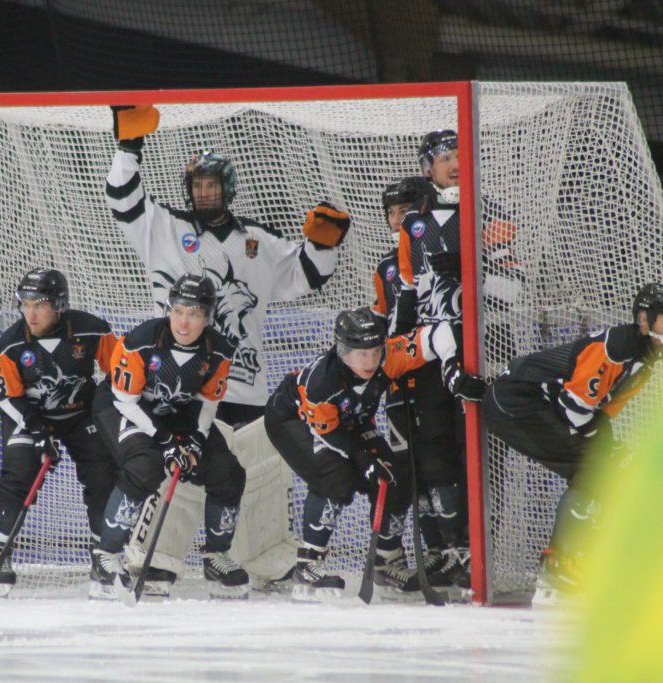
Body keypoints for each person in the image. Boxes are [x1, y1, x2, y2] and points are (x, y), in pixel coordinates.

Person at [105, 105, 351, 593]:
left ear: (228, 188)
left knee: (260, 476)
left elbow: (307, 274)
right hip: (180, 387)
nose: (204, 193)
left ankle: (265, 554)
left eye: (212, 185)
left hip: (246, 382)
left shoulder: (255, 241)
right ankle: (158, 558)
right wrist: (129, 148)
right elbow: (121, 196)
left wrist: (325, 244)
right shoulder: (164, 230)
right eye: (196, 185)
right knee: (177, 476)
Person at [264, 307, 485, 601]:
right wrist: (363, 458)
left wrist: (451, 368)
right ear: (343, 352)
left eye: (374, 352)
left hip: (349, 423)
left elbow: (438, 334)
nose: (369, 361)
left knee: (396, 478)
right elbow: (328, 432)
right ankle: (308, 565)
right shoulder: (322, 383)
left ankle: (385, 562)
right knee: (335, 477)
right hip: (293, 420)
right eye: (360, 354)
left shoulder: (388, 356)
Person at [484, 283, 663, 602]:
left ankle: (579, 561)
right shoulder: (617, 347)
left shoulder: (644, 362)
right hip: (514, 401)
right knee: (595, 472)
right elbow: (576, 412)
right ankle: (559, 568)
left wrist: (615, 451)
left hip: (535, 404)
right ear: (644, 319)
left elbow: (600, 416)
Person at [89, 274, 248, 599]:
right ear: (169, 309)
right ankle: (105, 557)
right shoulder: (141, 340)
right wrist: (166, 442)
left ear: (207, 316)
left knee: (226, 471)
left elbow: (208, 402)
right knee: (145, 466)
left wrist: (196, 441)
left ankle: (216, 555)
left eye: (194, 313)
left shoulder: (219, 350)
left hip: (177, 409)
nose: (184, 322)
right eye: (178, 311)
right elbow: (124, 399)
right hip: (123, 406)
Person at [0, 267, 118, 595]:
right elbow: (9, 399)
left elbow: (121, 372)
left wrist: (109, 409)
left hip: (79, 415)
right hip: (29, 416)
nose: (30, 313)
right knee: (18, 475)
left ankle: (103, 557)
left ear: (59, 304)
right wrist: (38, 431)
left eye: (39, 304)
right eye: (25, 303)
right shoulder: (9, 345)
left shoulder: (91, 331)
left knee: (103, 475)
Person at [370, 176, 450, 594]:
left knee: (438, 466)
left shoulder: (441, 250)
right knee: (405, 467)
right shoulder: (386, 267)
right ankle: (390, 554)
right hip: (403, 382)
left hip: (439, 377)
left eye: (406, 211)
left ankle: (441, 548)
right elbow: (384, 325)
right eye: (392, 214)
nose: (399, 220)